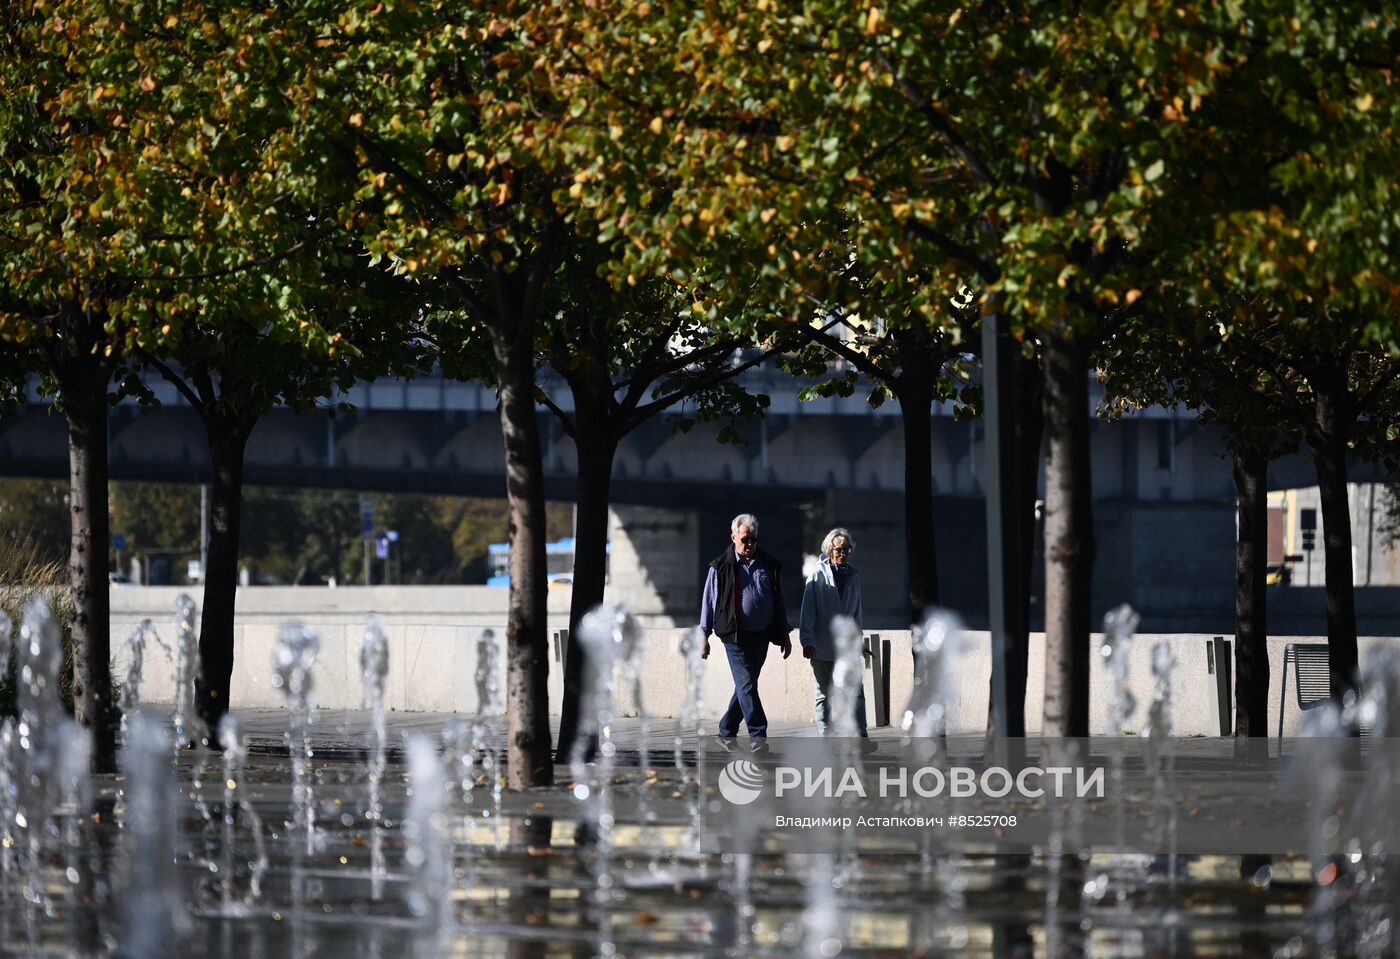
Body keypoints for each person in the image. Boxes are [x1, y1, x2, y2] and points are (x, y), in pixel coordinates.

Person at [699, 513, 793, 743]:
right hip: (734, 637)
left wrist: (785, 634)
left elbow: (779, 601)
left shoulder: (768, 565)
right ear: (733, 537)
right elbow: (708, 602)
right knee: (747, 684)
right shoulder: (720, 567)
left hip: (761, 635)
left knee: (746, 686)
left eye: (753, 539)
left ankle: (726, 730)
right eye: (744, 539)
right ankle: (758, 735)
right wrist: (704, 635)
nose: (749, 544)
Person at [799, 527, 868, 737]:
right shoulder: (817, 575)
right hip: (821, 645)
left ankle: (861, 736)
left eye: (846, 549)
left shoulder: (853, 576)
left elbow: (856, 613)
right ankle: (826, 735)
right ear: (830, 550)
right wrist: (807, 641)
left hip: (846, 647)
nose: (842, 553)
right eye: (838, 549)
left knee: (856, 692)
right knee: (823, 693)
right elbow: (808, 611)